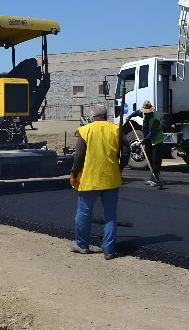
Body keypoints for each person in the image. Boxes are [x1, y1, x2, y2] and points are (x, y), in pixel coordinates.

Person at [70, 104, 129, 260]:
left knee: (84, 212)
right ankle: (108, 250)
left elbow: (79, 156)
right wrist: (119, 168)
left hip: (90, 179)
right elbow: (126, 152)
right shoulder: (116, 129)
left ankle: (82, 245)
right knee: (110, 215)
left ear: (93, 116)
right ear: (106, 115)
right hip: (111, 179)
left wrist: (74, 173)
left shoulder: (85, 130)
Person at [127, 100, 165, 186]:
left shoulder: (155, 119)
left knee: (156, 160)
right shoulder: (143, 113)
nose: (146, 114)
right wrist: (130, 116)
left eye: (147, 112)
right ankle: (153, 176)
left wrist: (144, 140)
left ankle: (156, 176)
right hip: (148, 140)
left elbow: (153, 133)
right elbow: (137, 112)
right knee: (149, 158)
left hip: (156, 141)